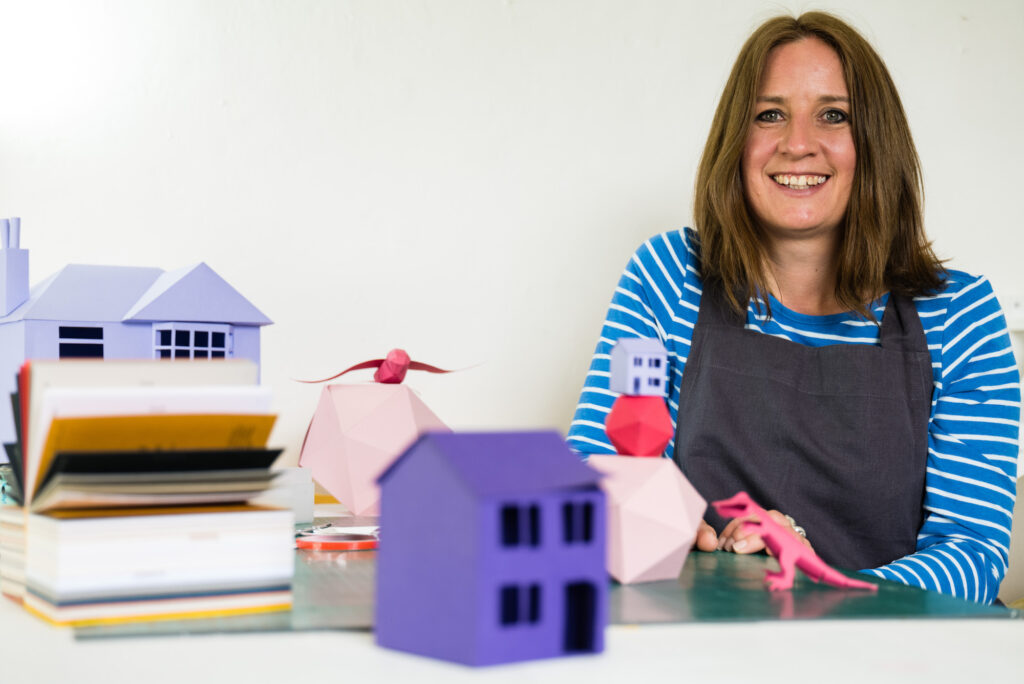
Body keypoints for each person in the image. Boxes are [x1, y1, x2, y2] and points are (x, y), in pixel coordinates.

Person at [567, 11, 1020, 604]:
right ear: (738, 139)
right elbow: (597, 481)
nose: (797, 144)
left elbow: (972, 555)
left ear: (875, 143)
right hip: (695, 646)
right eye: (769, 114)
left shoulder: (960, 315)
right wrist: (681, 547)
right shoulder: (669, 277)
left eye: (833, 115)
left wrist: (820, 591)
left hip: (888, 656)